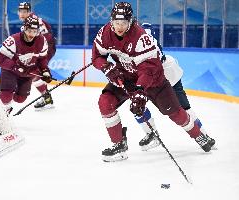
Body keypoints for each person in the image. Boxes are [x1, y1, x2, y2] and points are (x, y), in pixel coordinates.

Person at [92, 2, 215, 162]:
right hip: (127, 78)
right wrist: (106, 66)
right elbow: (96, 57)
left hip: (153, 81)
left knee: (176, 113)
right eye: (116, 23)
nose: (119, 27)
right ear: (111, 21)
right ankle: (119, 145)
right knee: (105, 102)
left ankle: (198, 135)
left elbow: (149, 70)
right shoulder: (105, 33)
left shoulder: (141, 38)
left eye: (123, 23)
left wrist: (140, 91)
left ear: (131, 22)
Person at [136, 22, 216, 151]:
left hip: (157, 75)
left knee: (138, 104)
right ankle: (205, 135)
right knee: (184, 106)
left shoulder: (139, 35)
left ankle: (152, 134)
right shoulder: (144, 31)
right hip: (166, 69)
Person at [0, 15, 52, 115]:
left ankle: (2, 97)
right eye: (30, 31)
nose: (32, 34)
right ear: (24, 29)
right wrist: (15, 67)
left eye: (35, 32)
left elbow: (42, 59)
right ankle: (3, 107)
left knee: (20, 99)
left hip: (27, 73)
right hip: (10, 71)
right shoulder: (13, 40)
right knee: (6, 96)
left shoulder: (42, 41)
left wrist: (45, 71)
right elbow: (0, 60)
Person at [18, 2, 56, 110]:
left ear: (29, 12)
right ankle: (47, 98)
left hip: (45, 47)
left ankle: (47, 99)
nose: (22, 14)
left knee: (34, 72)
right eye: (20, 11)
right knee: (35, 73)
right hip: (47, 45)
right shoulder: (36, 18)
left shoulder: (29, 22)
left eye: (25, 12)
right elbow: (48, 27)